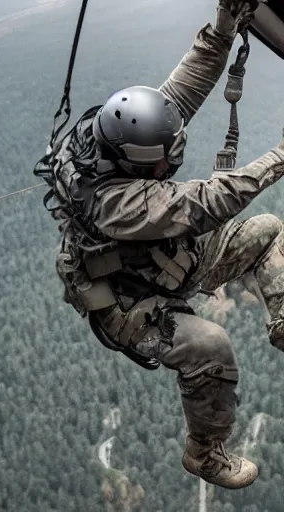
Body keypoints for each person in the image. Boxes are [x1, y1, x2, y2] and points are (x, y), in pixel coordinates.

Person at [43, 0, 284, 489]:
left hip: (170, 259)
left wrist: (221, 30)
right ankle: (205, 452)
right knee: (209, 345)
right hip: (132, 300)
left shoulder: (117, 134)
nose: (172, 159)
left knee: (269, 231)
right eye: (164, 159)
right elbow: (208, 201)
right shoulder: (117, 203)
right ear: (140, 163)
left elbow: (182, 90)